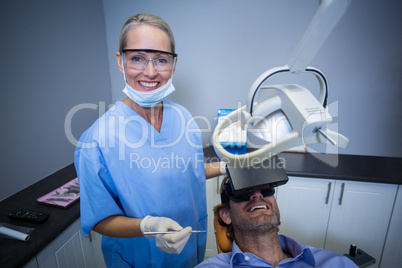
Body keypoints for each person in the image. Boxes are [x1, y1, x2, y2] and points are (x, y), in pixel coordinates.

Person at [74, 13, 224, 267]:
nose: (151, 72)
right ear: (120, 61)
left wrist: (223, 167)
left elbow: (187, 171)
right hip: (140, 258)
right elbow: (99, 218)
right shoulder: (97, 140)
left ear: (173, 65)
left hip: (189, 250)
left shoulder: (184, 117)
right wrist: (148, 226)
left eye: (161, 60)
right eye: (137, 58)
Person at [196, 178, 358, 267]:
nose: (257, 195)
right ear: (226, 215)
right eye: (243, 191)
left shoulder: (336, 263)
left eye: (266, 189)